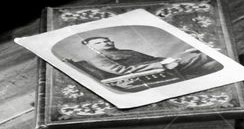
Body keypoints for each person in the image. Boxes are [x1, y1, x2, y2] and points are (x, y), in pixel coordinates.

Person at [80, 35, 220, 78]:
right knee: (205, 57)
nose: (105, 43)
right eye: (98, 43)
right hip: (157, 72)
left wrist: (172, 59)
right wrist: (162, 65)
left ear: (112, 42)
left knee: (213, 66)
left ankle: (211, 55)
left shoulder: (126, 50)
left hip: (168, 65)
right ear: (91, 47)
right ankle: (212, 54)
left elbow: (153, 58)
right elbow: (122, 71)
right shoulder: (97, 58)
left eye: (106, 41)